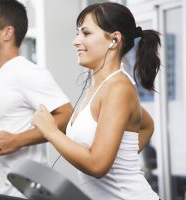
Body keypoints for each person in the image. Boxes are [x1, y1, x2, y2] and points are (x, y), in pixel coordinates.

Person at [32, 2, 160, 200]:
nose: (76, 41)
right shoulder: (98, 87)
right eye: (78, 33)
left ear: (114, 40)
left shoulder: (119, 88)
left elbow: (97, 165)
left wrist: (50, 131)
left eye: (86, 33)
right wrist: (121, 159)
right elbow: (147, 125)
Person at [0, 0, 73, 197]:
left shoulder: (28, 73)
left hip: (24, 192)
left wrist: (18, 140)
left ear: (7, 33)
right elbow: (5, 128)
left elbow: (67, 116)